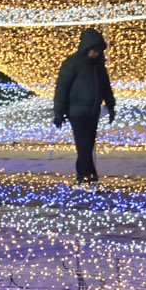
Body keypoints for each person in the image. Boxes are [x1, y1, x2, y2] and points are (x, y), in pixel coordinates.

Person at [52, 27, 117, 183]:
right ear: (87, 48)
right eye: (95, 50)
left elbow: (105, 87)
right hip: (76, 112)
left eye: (99, 51)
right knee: (84, 146)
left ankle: (83, 177)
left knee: (87, 147)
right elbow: (62, 88)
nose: (97, 54)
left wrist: (111, 106)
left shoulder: (99, 66)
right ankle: (90, 178)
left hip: (93, 112)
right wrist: (59, 112)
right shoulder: (72, 63)